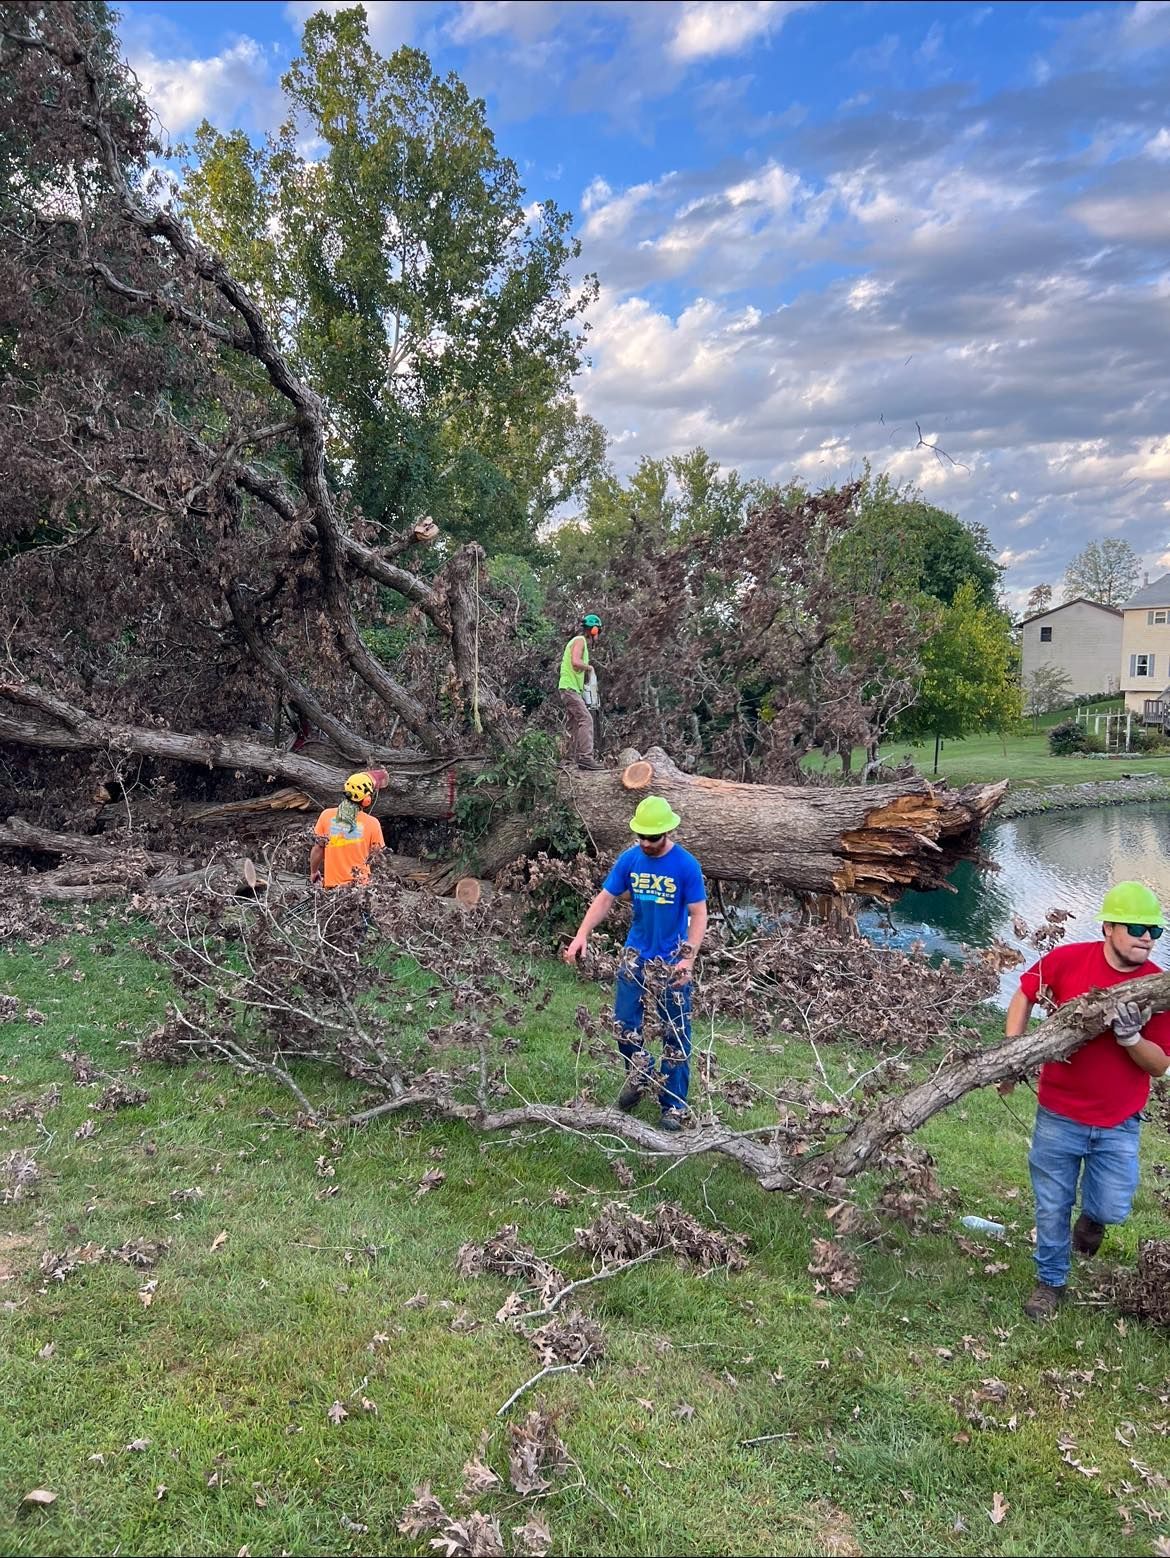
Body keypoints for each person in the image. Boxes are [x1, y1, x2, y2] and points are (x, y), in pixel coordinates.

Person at [1003, 881, 1170, 1321]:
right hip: (1059, 1114)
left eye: (1154, 930)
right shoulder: (1068, 961)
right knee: (1052, 1205)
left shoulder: (1157, 988)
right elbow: (1024, 990)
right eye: (1136, 927)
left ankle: (1093, 1220)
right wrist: (1012, 1053)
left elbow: (1158, 1065)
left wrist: (1132, 1038)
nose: (1147, 937)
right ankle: (1050, 1283)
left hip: (1119, 1120)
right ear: (1109, 927)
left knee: (1112, 1205)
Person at [564, 795, 707, 1131]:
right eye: (640, 836)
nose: (645, 843)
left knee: (676, 1032)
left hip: (671, 960)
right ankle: (640, 1072)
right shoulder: (630, 859)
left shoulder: (686, 866)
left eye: (652, 837)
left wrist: (687, 960)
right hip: (634, 955)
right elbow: (605, 898)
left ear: (667, 832)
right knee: (624, 1025)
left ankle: (672, 1106)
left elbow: (699, 915)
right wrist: (581, 934)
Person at [310, 769, 387, 889]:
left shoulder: (326, 816)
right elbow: (378, 857)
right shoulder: (373, 823)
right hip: (361, 890)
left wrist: (314, 872)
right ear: (367, 800)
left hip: (332, 887)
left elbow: (318, 849)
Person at [558, 612, 603, 771]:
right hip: (569, 688)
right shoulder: (580, 641)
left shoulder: (580, 642)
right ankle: (585, 757)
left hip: (571, 688)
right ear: (594, 630)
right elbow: (575, 662)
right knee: (586, 719)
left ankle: (570, 759)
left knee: (575, 724)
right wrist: (589, 667)